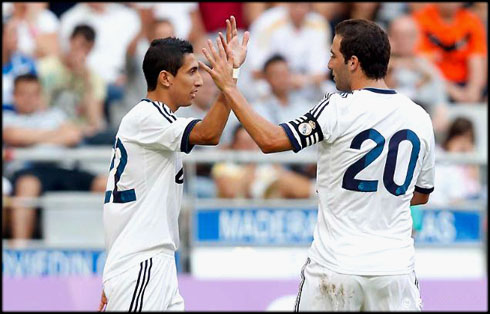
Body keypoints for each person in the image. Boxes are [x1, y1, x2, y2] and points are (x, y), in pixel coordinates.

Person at [201, 18, 435, 311]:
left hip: (336, 266)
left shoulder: (337, 107)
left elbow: (270, 140)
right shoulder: (419, 117)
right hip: (394, 271)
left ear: (352, 62)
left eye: (333, 56)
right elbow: (421, 195)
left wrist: (229, 86)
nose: (328, 65)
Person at [98, 17, 249, 311]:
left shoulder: (152, 120)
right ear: (166, 78)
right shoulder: (149, 117)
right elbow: (210, 133)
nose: (200, 80)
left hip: (153, 264)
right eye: (192, 72)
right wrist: (229, 78)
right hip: (142, 263)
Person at [2, 74, 107, 239]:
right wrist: (56, 135)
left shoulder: (55, 115)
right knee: (27, 187)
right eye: (23, 94)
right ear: (14, 96)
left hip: (63, 168)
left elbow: (73, 136)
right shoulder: (7, 118)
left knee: (107, 184)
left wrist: (30, 139)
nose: (29, 99)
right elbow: (12, 136)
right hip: (29, 171)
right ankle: (20, 250)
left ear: (40, 95)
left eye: (34, 94)